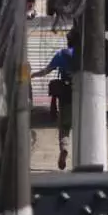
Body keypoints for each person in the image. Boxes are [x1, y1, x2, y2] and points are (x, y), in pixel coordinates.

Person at [31, 30, 77, 170]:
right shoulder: (85, 55)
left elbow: (46, 71)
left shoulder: (61, 55)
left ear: (68, 41)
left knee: (64, 127)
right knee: (82, 127)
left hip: (66, 96)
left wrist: (32, 75)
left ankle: (64, 148)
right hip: (84, 97)